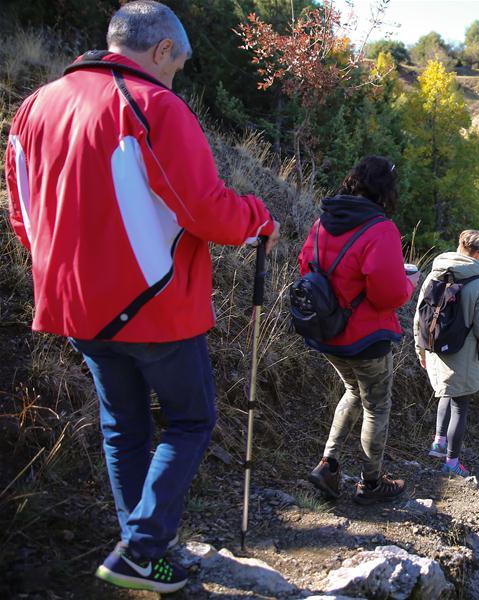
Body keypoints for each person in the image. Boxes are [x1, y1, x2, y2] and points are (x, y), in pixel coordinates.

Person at [4, 1, 280, 593]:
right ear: (161, 51)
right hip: (153, 305)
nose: (176, 74)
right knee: (190, 420)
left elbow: (23, 214)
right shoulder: (153, 105)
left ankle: (142, 553)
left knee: (122, 428)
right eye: (177, 63)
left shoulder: (33, 107)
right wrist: (257, 217)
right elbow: (207, 210)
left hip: (73, 306)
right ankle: (143, 548)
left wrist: (55, 270)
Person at [302, 156, 418, 505]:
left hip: (326, 331)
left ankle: (328, 464)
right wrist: (409, 284)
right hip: (366, 338)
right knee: (376, 406)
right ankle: (371, 484)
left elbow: (306, 264)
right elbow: (389, 294)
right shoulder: (381, 229)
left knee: (354, 391)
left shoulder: (323, 221)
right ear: (386, 190)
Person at [414, 230, 479, 478]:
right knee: (460, 404)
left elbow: (418, 317)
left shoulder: (435, 272)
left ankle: (438, 442)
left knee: (445, 391)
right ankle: (452, 462)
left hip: (433, 347)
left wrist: (419, 349)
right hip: (462, 353)